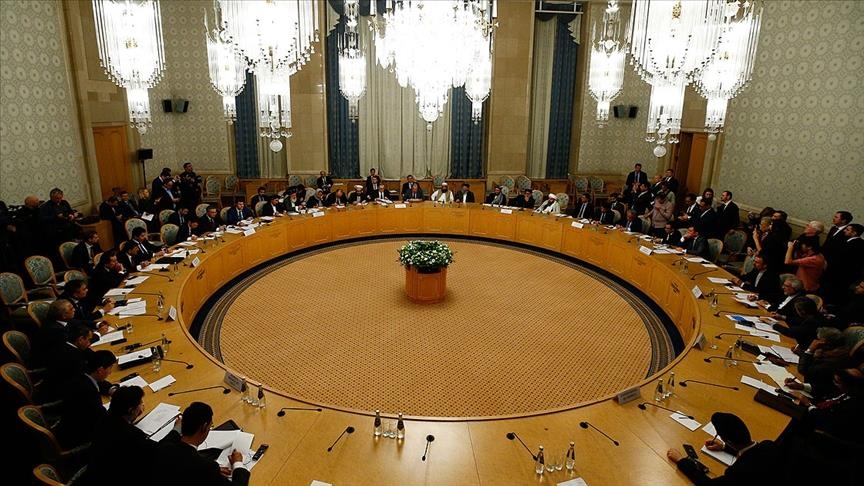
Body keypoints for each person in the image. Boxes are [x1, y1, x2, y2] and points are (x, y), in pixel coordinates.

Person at [667, 412, 782, 485]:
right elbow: (753, 455)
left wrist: (681, 461)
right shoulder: (768, 445)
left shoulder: (737, 473)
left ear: (729, 440)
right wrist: (724, 447)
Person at [156, 402, 250, 486]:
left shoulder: (163, 447)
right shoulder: (205, 467)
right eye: (210, 426)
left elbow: (168, 442)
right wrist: (237, 463)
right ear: (204, 427)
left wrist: (213, 473)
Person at [84, 386, 158, 486]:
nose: (142, 405)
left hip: (95, 472)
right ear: (131, 410)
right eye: (140, 403)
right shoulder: (133, 435)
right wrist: (175, 432)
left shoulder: (104, 417)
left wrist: (134, 416)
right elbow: (156, 451)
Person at [55, 349, 117, 448]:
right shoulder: (88, 392)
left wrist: (112, 390)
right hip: (78, 437)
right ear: (100, 370)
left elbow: (99, 382)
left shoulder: (83, 375)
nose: (110, 372)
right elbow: (102, 418)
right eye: (110, 368)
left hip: (66, 425)